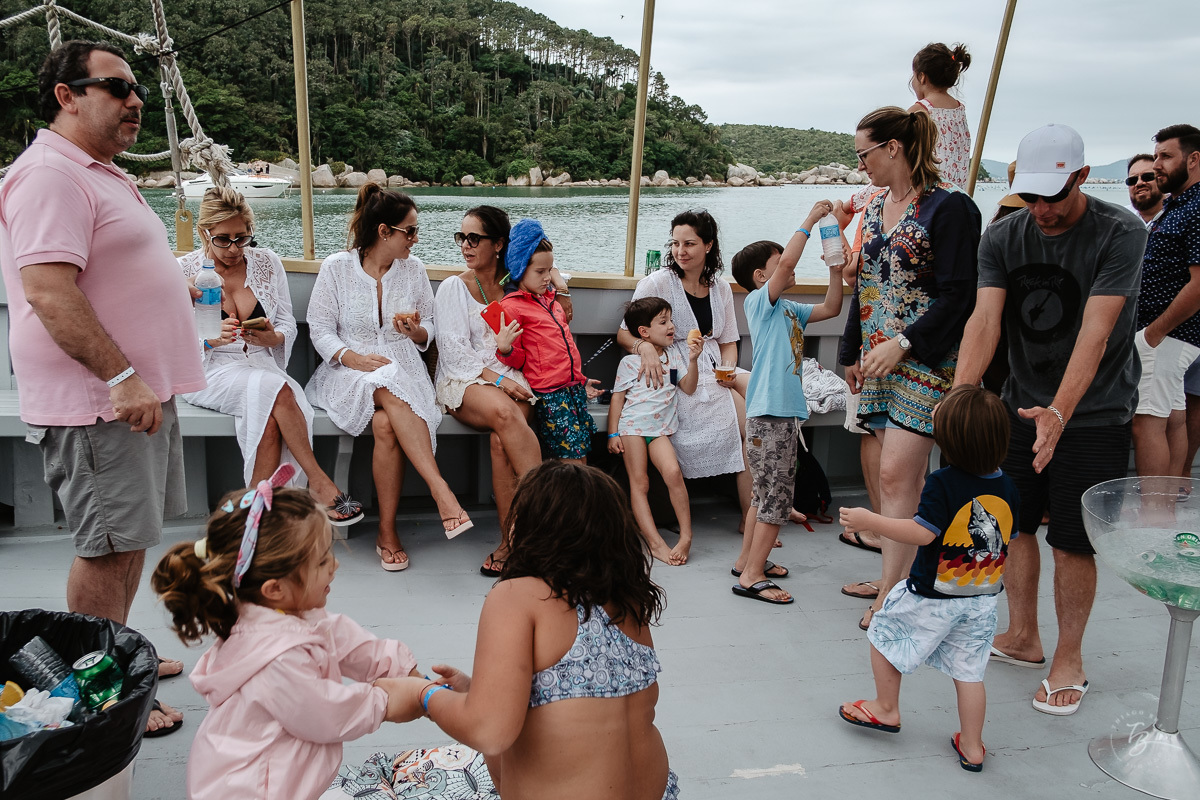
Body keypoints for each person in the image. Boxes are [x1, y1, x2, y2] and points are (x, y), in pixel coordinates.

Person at [0, 40, 209, 736]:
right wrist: (121, 377)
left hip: (135, 397)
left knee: (129, 538)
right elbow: (49, 291)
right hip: (102, 402)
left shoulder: (98, 171)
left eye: (136, 89)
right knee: (107, 548)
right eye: (117, 88)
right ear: (67, 95)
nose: (136, 100)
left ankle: (117, 650)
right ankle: (104, 695)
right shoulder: (50, 175)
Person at [954, 123, 1147, 715]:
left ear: (1082, 178)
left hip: (1095, 413)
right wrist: (960, 400)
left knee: (1072, 539)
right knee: (1011, 526)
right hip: (1020, 403)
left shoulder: (1121, 232)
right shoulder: (1004, 238)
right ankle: (1023, 636)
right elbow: (985, 323)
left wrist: (1060, 413)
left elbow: (1097, 332)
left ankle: (1069, 657)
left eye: (1054, 196)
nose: (1041, 210)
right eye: (1030, 196)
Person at [394, 460, 677, 800]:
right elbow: (575, 708)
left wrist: (423, 695)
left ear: (526, 527)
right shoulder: (628, 604)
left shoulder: (519, 596)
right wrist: (479, 692)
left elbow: (490, 732)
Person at [150, 466, 424, 800]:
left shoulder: (293, 613)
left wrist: (402, 669)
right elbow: (325, 713)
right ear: (275, 588)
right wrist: (386, 701)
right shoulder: (274, 656)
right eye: (322, 560)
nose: (334, 566)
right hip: (250, 790)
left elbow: (346, 641)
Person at [837, 106, 982, 630]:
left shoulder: (950, 210)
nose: (861, 167)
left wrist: (903, 343)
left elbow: (960, 294)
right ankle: (898, 581)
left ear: (893, 148)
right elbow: (865, 288)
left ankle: (892, 600)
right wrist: (850, 352)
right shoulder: (876, 211)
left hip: (927, 361)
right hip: (878, 362)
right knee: (894, 477)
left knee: (899, 474)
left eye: (864, 155)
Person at [837, 385, 1020, 772]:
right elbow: (1010, 538)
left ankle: (886, 708)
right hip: (982, 599)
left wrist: (870, 520)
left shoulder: (943, 482)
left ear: (948, 440)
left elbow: (922, 533)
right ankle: (972, 745)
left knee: (883, 632)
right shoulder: (1008, 487)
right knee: (970, 672)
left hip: (932, 594)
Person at [306, 184, 472, 571]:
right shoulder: (336, 268)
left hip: (404, 369)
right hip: (346, 371)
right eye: (410, 231)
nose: (416, 239)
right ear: (384, 232)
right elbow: (319, 328)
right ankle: (441, 490)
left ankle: (387, 531)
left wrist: (415, 331)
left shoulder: (413, 270)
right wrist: (352, 357)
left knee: (385, 424)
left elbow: (429, 326)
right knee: (381, 381)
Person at [178, 187, 362, 525]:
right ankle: (318, 483)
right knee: (278, 392)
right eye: (223, 239)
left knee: (270, 411)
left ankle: (252, 517)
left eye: (242, 237)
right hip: (209, 372)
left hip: (261, 365)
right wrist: (209, 342)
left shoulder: (266, 263)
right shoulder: (181, 272)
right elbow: (171, 345)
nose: (234, 249)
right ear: (205, 232)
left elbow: (287, 324)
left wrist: (272, 337)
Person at [728, 203, 844, 605]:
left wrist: (835, 269)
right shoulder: (760, 303)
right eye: (780, 266)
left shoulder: (790, 310)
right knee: (777, 501)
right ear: (762, 276)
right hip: (770, 416)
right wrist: (809, 222)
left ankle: (746, 560)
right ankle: (754, 577)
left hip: (776, 417)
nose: (790, 269)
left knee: (762, 497)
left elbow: (831, 308)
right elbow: (788, 261)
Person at [616, 210, 754, 527]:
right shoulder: (658, 283)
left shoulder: (720, 288)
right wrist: (645, 348)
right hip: (676, 372)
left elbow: (728, 340)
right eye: (676, 243)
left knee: (759, 421)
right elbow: (624, 332)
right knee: (745, 421)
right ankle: (754, 513)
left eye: (689, 243)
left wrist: (727, 369)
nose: (681, 251)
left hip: (715, 368)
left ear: (708, 245)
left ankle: (752, 516)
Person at [433, 207, 543, 577]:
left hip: (514, 375)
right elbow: (453, 352)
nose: (465, 245)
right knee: (505, 414)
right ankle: (550, 520)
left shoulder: (518, 284)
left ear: (498, 244)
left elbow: (549, 264)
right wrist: (498, 381)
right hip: (467, 379)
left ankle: (513, 542)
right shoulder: (454, 288)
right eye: (460, 237)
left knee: (502, 442)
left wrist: (564, 290)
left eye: (474, 238)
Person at [607, 297, 702, 566]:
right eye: (664, 322)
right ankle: (654, 542)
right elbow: (618, 398)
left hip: (660, 430)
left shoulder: (674, 358)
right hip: (633, 428)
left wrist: (693, 360)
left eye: (671, 320)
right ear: (644, 333)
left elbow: (688, 387)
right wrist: (612, 434)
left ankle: (686, 535)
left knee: (673, 473)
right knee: (641, 483)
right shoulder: (630, 363)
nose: (671, 326)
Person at [496, 219, 597, 463]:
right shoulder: (512, 307)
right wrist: (505, 348)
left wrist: (580, 381)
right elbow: (520, 359)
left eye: (549, 271)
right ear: (520, 268)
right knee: (573, 464)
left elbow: (561, 347)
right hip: (552, 397)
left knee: (582, 457)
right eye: (540, 272)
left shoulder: (549, 299)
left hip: (572, 390)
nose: (546, 278)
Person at [1131, 125, 1200, 481]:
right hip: (1167, 335)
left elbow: (1199, 284)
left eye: (1165, 156)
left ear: (1193, 159)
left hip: (1169, 334)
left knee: (1146, 424)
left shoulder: (1197, 207)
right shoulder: (1178, 204)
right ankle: (1167, 507)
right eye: (1156, 155)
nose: (1157, 164)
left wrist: (1153, 334)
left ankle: (1152, 515)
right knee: (1173, 418)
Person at [909, 42, 973, 189]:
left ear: (922, 77)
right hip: (956, 193)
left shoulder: (919, 111)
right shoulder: (959, 109)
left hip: (930, 194)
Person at [1127, 153, 1165, 226]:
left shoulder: (1179, 216)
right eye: (1133, 180)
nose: (1139, 183)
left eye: (1147, 177)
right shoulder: (1121, 219)